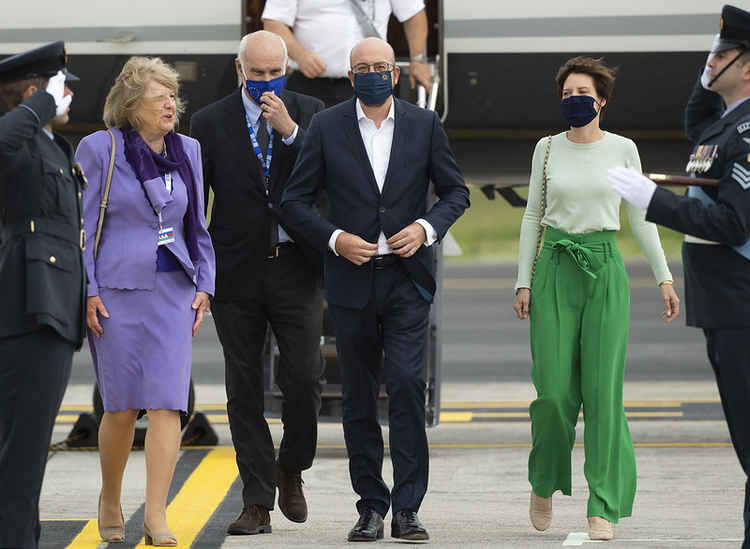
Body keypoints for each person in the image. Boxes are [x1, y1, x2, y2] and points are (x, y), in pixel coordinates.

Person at [282, 36, 469, 542]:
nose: (372, 73)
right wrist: (335, 239)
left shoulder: (425, 125)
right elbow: (295, 201)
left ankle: (408, 507)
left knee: (407, 387)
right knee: (359, 399)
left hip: (408, 279)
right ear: (351, 77)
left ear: (396, 73)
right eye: (362, 67)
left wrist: (427, 229)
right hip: (351, 282)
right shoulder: (326, 126)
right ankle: (370, 505)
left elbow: (456, 192)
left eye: (381, 66)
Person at [512, 56, 680, 541]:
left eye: (582, 92)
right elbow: (531, 216)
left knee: (604, 396)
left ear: (601, 99)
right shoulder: (546, 149)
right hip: (554, 268)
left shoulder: (624, 149)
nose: (573, 100)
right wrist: (524, 279)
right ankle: (543, 480)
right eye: (566, 94)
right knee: (554, 396)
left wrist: (664, 277)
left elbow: (641, 217)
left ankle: (602, 504)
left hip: (604, 267)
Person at [607, 5, 750, 546]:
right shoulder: (726, 124)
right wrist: (711, 69)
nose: (708, 61)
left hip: (741, 302)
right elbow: (699, 128)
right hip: (725, 305)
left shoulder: (746, 132)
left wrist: (655, 202)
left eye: (720, 55)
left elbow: (734, 223)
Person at [189, 30, 325, 536]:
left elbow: (329, 178)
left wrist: (291, 134)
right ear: (239, 68)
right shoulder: (208, 122)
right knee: (242, 385)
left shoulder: (311, 113)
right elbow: (193, 202)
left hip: (296, 265)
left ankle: (291, 465)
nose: (267, 81)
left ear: (286, 67)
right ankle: (256, 499)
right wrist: (196, 272)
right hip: (236, 269)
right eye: (258, 72)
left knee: (305, 377)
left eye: (276, 71)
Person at [75, 56, 215, 546]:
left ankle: (156, 513)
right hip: (115, 292)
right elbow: (86, 229)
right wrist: (89, 289)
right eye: (161, 98)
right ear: (133, 107)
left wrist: (205, 284)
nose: (171, 105)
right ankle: (110, 498)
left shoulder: (188, 150)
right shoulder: (99, 149)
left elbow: (197, 223)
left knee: (167, 405)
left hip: (173, 289)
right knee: (120, 407)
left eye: (173, 96)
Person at [0, 41, 86, 549]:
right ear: (35, 90)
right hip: (28, 308)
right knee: (21, 450)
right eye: (60, 85)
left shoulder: (53, 146)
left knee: (26, 451)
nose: (69, 93)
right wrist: (39, 104)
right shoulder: (23, 138)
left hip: (52, 309)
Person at [263, 0, 431, 108]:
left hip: (369, 81)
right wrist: (300, 55)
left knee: (371, 150)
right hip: (309, 85)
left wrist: (419, 60)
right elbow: (273, 21)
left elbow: (414, 15)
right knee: (306, 152)